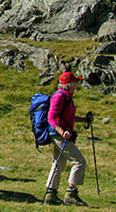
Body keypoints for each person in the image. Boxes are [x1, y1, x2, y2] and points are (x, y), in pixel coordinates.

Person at [44, 72, 93, 206]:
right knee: (79, 161)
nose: (78, 84)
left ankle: (51, 194)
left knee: (58, 164)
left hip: (61, 134)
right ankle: (71, 193)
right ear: (69, 84)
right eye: (76, 82)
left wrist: (83, 119)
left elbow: (67, 116)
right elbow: (51, 117)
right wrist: (62, 132)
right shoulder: (59, 97)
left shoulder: (66, 97)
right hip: (59, 135)